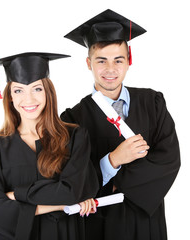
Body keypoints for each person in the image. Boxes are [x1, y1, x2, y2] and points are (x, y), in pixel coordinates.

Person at [61, 9, 181, 240]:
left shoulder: (153, 102)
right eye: (101, 60)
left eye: (118, 60)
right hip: (99, 223)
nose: (110, 69)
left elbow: (169, 158)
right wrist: (113, 160)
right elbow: (72, 177)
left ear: (129, 60)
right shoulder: (72, 119)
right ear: (88, 63)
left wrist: (120, 184)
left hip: (147, 219)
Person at [0, 52, 99, 240]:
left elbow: (72, 192)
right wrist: (59, 205)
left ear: (48, 92)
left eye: (37, 89)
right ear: (10, 97)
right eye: (18, 90)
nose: (29, 99)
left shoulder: (74, 138)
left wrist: (16, 195)